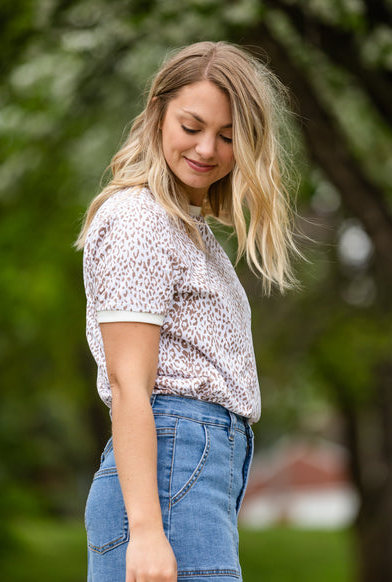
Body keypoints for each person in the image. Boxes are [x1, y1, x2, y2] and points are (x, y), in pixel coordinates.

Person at [77, 41, 297, 582]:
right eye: (192, 126)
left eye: (227, 135)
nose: (208, 148)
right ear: (156, 116)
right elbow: (131, 384)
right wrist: (148, 529)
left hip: (192, 473)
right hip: (171, 474)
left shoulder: (186, 229)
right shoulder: (138, 218)